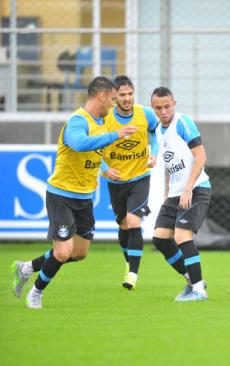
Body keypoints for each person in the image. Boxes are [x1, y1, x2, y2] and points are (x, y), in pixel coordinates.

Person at [10, 76, 137, 309]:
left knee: (78, 253)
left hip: (85, 197)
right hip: (62, 195)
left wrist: (106, 170)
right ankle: (35, 293)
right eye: (112, 98)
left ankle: (26, 268)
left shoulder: (106, 119)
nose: (114, 103)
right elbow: (80, 144)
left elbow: (95, 154)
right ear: (101, 96)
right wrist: (115, 136)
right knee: (63, 251)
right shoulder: (78, 121)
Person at [150, 87, 212, 302]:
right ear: (153, 108)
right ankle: (192, 279)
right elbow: (170, 164)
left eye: (167, 106)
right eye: (158, 108)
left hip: (196, 189)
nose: (163, 111)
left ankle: (199, 291)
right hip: (176, 193)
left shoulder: (183, 123)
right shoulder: (159, 130)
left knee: (181, 235)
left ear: (174, 103)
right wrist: (169, 192)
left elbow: (201, 156)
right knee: (159, 238)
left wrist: (188, 187)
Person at [101, 75, 159, 290]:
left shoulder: (145, 114)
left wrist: (154, 153)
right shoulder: (105, 118)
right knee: (124, 223)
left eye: (130, 94)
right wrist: (105, 170)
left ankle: (133, 274)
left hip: (140, 177)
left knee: (134, 221)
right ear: (114, 97)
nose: (127, 98)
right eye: (122, 95)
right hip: (116, 181)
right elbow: (92, 147)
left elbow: (154, 132)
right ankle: (128, 262)